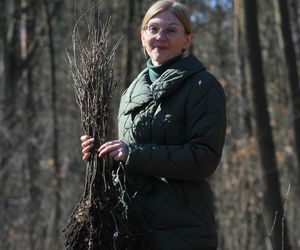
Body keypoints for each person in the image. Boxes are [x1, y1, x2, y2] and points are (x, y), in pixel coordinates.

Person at [80, 0, 226, 249]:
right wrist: (103, 154)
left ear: (187, 40)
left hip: (182, 232)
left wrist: (133, 154)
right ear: (142, 36)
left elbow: (204, 158)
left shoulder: (203, 86)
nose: (160, 36)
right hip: (132, 228)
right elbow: (129, 158)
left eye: (171, 30)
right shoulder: (131, 92)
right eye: (153, 28)